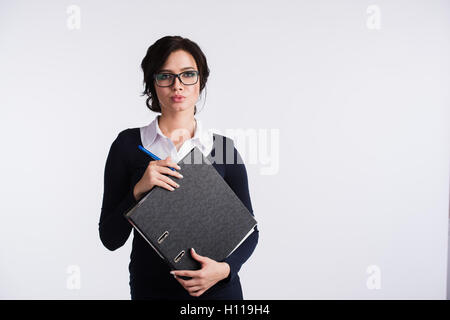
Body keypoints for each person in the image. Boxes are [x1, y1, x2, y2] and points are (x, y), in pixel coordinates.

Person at [98, 35, 259, 300]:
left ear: (201, 82)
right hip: (152, 291)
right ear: (153, 83)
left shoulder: (223, 149)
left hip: (218, 293)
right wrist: (137, 192)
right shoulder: (128, 145)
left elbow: (250, 231)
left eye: (188, 75)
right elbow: (110, 238)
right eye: (165, 76)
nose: (177, 86)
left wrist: (225, 270)